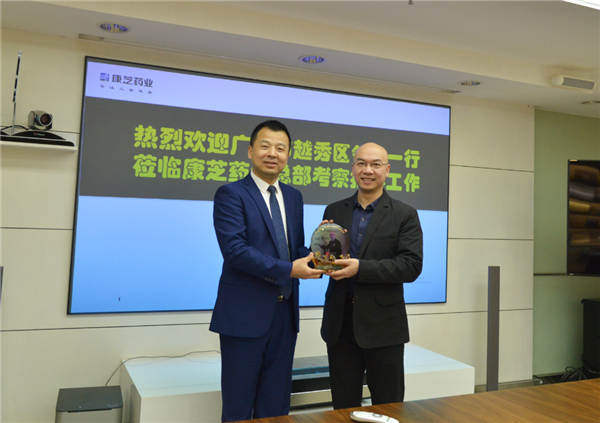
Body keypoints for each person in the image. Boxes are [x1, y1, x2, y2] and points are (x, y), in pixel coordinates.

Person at [210, 120, 323, 421]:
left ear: (288, 156)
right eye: (265, 146)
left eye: (280, 148)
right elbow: (235, 251)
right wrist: (290, 270)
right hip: (244, 315)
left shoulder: (294, 196)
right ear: (250, 151)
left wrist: (320, 254)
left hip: (285, 314)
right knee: (238, 406)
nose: (272, 153)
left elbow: (293, 247)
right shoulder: (231, 193)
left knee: (276, 405)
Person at [320, 142, 423, 409]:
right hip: (340, 323)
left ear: (386, 170)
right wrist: (321, 253)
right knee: (343, 407)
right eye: (361, 163)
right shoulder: (334, 210)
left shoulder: (405, 214)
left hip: (384, 327)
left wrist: (361, 268)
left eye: (375, 164)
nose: (368, 170)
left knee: (388, 407)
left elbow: (411, 266)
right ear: (353, 168)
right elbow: (328, 259)